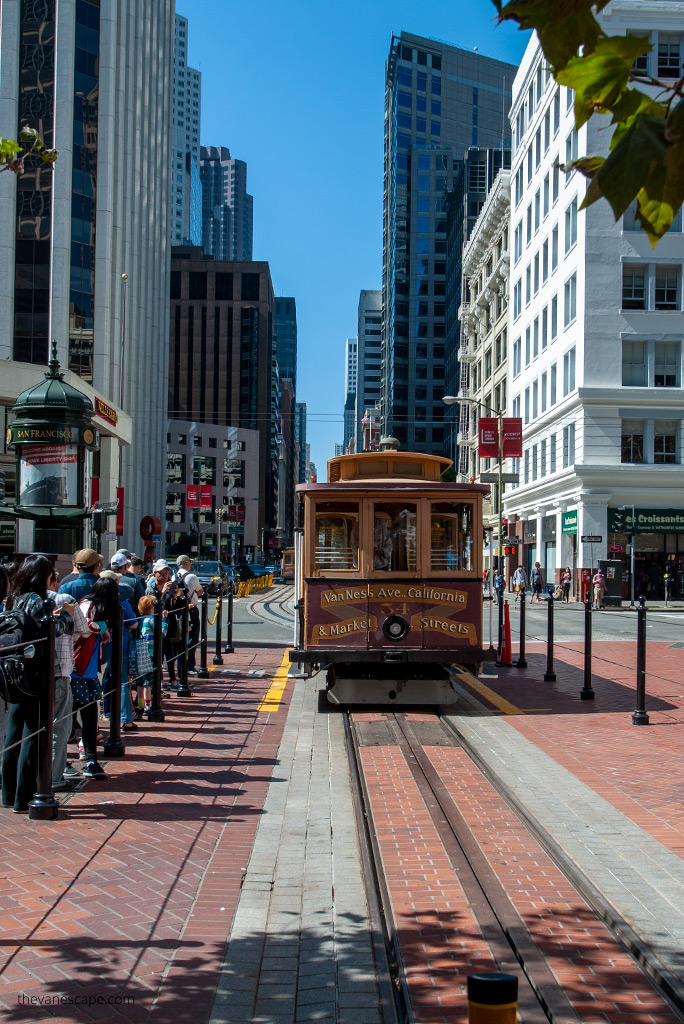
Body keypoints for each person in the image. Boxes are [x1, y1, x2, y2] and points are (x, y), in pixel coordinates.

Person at [1, 556, 66, 812]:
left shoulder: (12, 597)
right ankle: (25, 797)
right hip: (34, 673)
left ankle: (8, 795)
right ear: (43, 578)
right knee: (33, 732)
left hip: (13, 673)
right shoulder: (37, 600)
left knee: (13, 733)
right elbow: (52, 630)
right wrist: (63, 619)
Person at [48, 569, 91, 791]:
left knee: (29, 727)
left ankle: (18, 785)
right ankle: (54, 778)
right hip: (59, 670)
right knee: (60, 725)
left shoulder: (18, 599)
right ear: (52, 581)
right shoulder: (62, 599)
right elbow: (83, 629)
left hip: (25, 674)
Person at [71, 578, 118, 778]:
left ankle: (91, 758)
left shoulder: (93, 606)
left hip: (88, 671)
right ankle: (66, 762)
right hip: (77, 670)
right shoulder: (87, 605)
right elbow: (82, 627)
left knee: (90, 717)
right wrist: (102, 627)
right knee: (70, 717)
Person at [145, 560, 185, 687]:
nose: (164, 576)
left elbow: (175, 608)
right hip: (155, 627)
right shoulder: (151, 589)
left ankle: (172, 680)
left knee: (170, 654)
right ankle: (159, 684)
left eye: (166, 573)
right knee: (158, 656)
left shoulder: (170, 587)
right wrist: (163, 593)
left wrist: (175, 596)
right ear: (155, 574)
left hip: (168, 625)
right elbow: (152, 606)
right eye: (161, 573)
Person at [138, 594, 168, 712]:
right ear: (152, 607)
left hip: (142, 652)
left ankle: (140, 705)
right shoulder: (151, 619)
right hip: (151, 653)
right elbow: (162, 633)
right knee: (149, 682)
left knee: (141, 680)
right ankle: (148, 705)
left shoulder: (142, 620)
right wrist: (164, 619)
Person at [175, 555, 203, 675]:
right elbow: (200, 591)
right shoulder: (192, 576)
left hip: (177, 610)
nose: (190, 564)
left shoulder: (173, 576)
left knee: (180, 638)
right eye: (189, 562)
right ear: (186, 563)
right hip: (191, 610)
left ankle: (180, 666)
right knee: (192, 638)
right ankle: (190, 666)